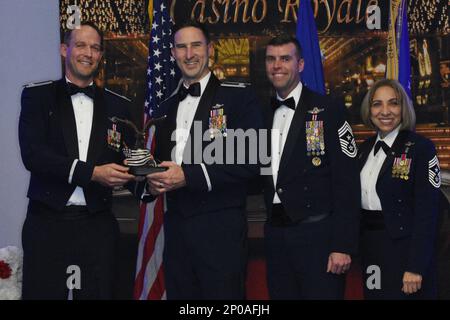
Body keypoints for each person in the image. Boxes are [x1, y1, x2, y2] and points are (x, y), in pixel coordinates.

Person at [144, 21, 263, 299]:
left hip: (221, 232)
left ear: (210, 49)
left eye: (196, 45)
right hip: (176, 235)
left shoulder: (238, 98)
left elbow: (252, 158)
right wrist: (150, 185)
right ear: (172, 53)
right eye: (182, 47)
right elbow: (156, 164)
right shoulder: (164, 109)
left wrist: (188, 176)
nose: (189, 54)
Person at [18, 22, 136, 299]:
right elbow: (33, 155)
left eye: (95, 47)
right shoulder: (38, 96)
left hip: (98, 227)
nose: (88, 53)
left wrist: (149, 184)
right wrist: (91, 173)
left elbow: (128, 159)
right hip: (47, 224)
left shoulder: (119, 105)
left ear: (101, 55)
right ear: (64, 49)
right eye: (80, 45)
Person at [262, 35, 360, 299]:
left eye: (285, 58)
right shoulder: (260, 112)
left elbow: (347, 180)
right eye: (271, 59)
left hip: (318, 237)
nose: (277, 65)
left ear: (301, 64)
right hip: (276, 236)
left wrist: (343, 244)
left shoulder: (329, 109)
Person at [358, 79, 441, 299]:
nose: (385, 111)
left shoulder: (421, 148)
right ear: (369, 110)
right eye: (377, 104)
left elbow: (428, 214)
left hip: (405, 252)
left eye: (393, 103)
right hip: (371, 251)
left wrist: (415, 266)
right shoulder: (363, 150)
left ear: (403, 108)